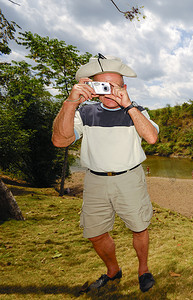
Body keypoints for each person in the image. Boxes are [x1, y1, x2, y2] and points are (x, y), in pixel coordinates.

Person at [51, 55, 159, 293]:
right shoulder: (85, 113)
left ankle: (143, 270)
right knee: (95, 233)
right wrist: (70, 102)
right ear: (93, 88)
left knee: (139, 227)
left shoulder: (137, 111)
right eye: (103, 86)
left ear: (125, 88)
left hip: (130, 178)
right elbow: (60, 140)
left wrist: (129, 106)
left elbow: (151, 137)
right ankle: (113, 270)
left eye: (116, 87)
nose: (110, 92)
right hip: (95, 181)